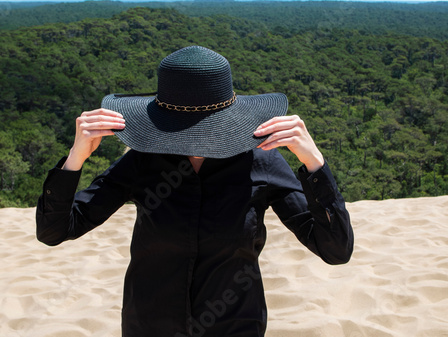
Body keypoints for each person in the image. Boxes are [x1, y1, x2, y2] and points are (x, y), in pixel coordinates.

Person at [36, 46, 353, 337]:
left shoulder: (262, 161)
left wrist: (314, 164)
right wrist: (75, 158)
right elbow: (55, 230)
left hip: (234, 326)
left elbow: (335, 249)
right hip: (149, 325)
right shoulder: (143, 161)